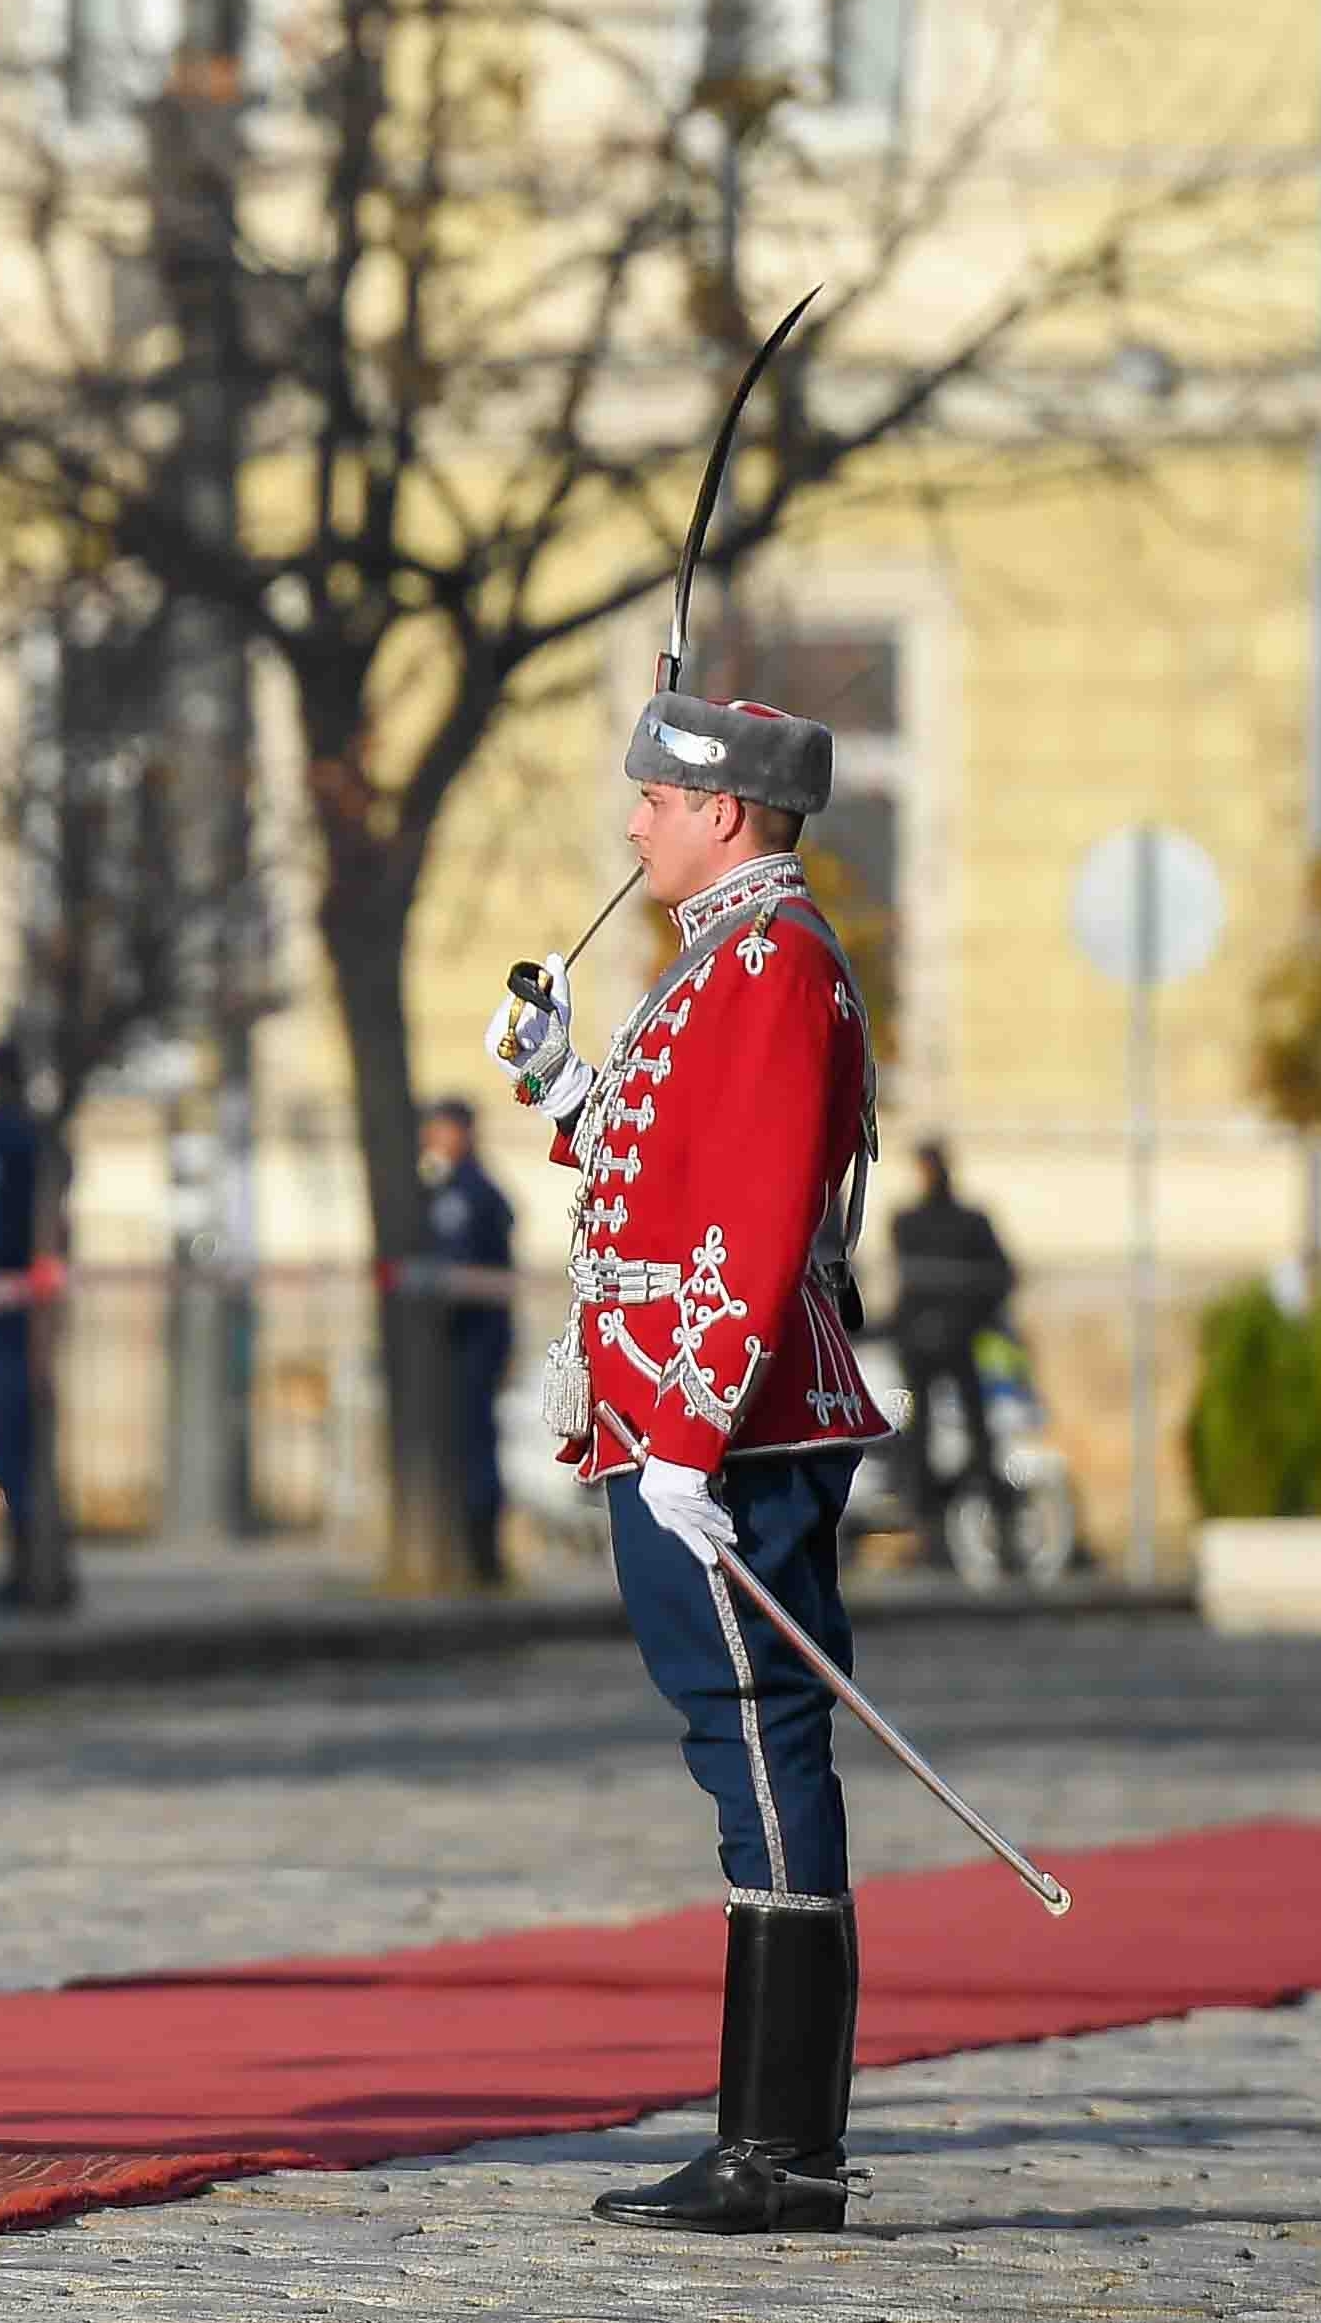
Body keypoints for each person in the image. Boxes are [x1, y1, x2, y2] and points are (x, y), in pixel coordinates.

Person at [488, 687, 891, 2236]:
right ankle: (764, 2138)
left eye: (654, 794)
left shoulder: (773, 962)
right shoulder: (718, 957)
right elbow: (663, 1165)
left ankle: (780, 2149)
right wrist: (562, 1082)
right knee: (732, 1744)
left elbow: (756, 1204)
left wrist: (687, 1431)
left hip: (723, 1421)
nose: (634, 818)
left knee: (756, 1735)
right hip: (674, 1412)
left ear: (724, 811)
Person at [885, 1143, 1022, 1552]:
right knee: (919, 1434)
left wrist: (965, 1314)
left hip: (957, 1340)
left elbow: (999, 1276)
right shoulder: (908, 1221)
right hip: (925, 1343)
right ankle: (928, 1527)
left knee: (978, 1437)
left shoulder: (967, 1222)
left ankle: (995, 1520)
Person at [0, 1042, 58, 1610]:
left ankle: (31, 1569)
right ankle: (22, 1565)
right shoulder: (5, 1134)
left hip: (16, 1313)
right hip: (0, 1309)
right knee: (7, 1439)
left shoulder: (16, 1138)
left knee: (16, 1439)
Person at [418, 1097, 516, 1587]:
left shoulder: (470, 1194)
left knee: (476, 1446)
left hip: (474, 1338)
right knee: (464, 1445)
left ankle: (484, 1559)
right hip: (461, 1339)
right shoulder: (448, 1190)